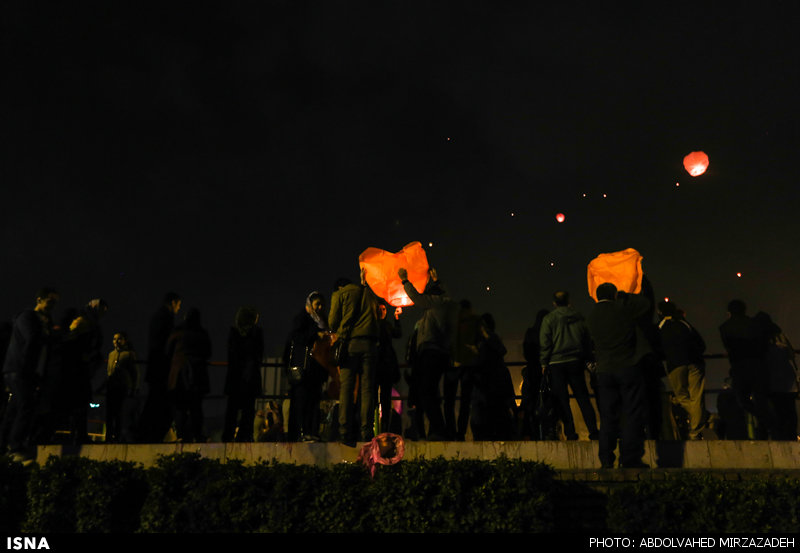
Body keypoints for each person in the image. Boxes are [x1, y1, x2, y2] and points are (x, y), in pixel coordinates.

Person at [586, 283, 651, 469]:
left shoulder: (591, 316)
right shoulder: (622, 309)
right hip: (627, 365)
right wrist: (624, 295)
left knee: (607, 415)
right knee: (631, 413)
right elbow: (645, 304)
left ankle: (606, 458)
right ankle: (630, 458)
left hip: (604, 370)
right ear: (614, 294)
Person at [1, 287, 59, 462]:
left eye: (55, 302)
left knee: (15, 409)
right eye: (50, 301)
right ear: (39, 299)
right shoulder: (28, 317)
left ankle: (5, 445)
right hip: (20, 370)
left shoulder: (43, 321)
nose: (53, 305)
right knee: (27, 405)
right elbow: (32, 340)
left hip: (25, 371)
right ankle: (15, 446)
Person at [399, 267, 456, 441]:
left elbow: (417, 298)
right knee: (430, 392)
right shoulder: (441, 307)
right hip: (435, 353)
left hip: (431, 353)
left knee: (426, 392)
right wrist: (437, 280)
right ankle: (437, 430)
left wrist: (405, 280)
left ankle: (438, 429)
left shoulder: (437, 303)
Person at [539, 290, 599, 441]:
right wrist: (588, 357)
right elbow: (586, 340)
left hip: (556, 363)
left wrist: (544, 362)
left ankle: (570, 433)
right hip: (576, 361)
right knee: (583, 397)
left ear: (554, 303)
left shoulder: (549, 319)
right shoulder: (579, 317)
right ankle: (593, 431)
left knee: (562, 400)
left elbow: (545, 343)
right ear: (569, 301)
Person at [329, 271, 380, 446]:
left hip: (349, 346)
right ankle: (366, 432)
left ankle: (345, 432)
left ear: (339, 287)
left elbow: (332, 323)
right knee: (367, 390)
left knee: (346, 389)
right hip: (369, 345)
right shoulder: (369, 294)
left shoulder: (340, 294)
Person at [656, 300, 709, 440]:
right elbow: (701, 344)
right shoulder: (685, 324)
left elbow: (657, 349)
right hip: (695, 362)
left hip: (675, 364)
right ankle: (695, 430)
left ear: (659, 312)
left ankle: (696, 418)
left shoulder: (660, 328)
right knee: (697, 396)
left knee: (681, 396)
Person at [719, 299, 770, 439]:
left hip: (739, 366)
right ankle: (765, 426)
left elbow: (729, 346)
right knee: (760, 399)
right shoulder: (755, 324)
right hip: (758, 365)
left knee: (742, 398)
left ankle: (763, 422)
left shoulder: (725, 328)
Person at [60, 298, 109, 445]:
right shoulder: (84, 322)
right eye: (101, 310)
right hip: (77, 368)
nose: (102, 314)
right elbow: (70, 341)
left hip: (81, 368)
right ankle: (77, 435)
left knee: (80, 402)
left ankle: (77, 435)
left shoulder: (89, 322)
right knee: (79, 401)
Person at [285, 292, 330, 442]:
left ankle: (311, 431)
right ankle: (300, 432)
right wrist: (316, 335)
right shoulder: (302, 319)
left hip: (316, 369)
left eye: (322, 304)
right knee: (301, 401)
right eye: (317, 304)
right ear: (310, 305)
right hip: (304, 368)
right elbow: (298, 339)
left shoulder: (322, 321)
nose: (320, 307)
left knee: (314, 401)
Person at [137, 292, 181, 443]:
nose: (178, 308)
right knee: (161, 402)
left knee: (154, 401)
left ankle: (145, 434)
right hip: (162, 367)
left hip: (155, 366)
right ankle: (150, 434)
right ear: (173, 302)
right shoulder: (166, 318)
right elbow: (167, 343)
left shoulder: (157, 317)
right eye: (178, 305)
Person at [165, 307, 212, 443]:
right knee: (196, 407)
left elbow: (168, 352)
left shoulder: (177, 332)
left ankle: (182, 434)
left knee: (180, 407)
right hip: (197, 375)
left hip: (178, 375)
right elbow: (208, 352)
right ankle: (197, 434)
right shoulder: (202, 333)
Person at [469, 313, 516, 440]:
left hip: (486, 386)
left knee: (482, 420)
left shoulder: (484, 340)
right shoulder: (491, 341)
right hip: (494, 386)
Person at [754, 312, 798, 440]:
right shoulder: (781, 337)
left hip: (771, 383)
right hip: (788, 382)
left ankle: (776, 437)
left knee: (775, 414)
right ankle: (790, 437)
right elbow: (792, 355)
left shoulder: (759, 341)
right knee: (789, 413)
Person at [223, 307, 264, 442]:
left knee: (232, 408)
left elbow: (231, 355)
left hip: (235, 375)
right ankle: (244, 435)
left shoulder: (233, 332)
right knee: (248, 409)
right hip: (250, 376)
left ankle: (228, 435)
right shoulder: (256, 333)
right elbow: (259, 354)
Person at [449, 299, 480, 441]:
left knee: (450, 401)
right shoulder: (474, 322)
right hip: (469, 365)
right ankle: (461, 432)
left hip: (455, 365)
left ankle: (453, 432)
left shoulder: (453, 323)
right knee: (466, 401)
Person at [105, 331, 140, 443]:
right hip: (111, 387)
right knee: (109, 413)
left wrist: (134, 387)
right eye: (114, 339)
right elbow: (109, 371)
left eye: (119, 338)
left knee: (119, 413)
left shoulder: (129, 354)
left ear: (125, 340)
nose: (116, 341)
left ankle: (118, 436)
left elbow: (135, 372)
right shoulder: (111, 354)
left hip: (122, 387)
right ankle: (108, 436)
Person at [520, 309, 550, 439]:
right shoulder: (549, 333)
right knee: (548, 401)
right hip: (546, 371)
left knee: (530, 402)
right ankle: (548, 430)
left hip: (532, 371)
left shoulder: (530, 333)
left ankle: (529, 432)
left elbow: (526, 352)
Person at [376, 301, 402, 435]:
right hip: (379, 365)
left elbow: (398, 333)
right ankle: (380, 428)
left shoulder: (386, 325)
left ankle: (384, 429)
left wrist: (396, 318)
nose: (382, 311)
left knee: (385, 399)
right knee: (376, 398)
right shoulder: (375, 325)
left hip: (384, 366)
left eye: (384, 309)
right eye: (380, 309)